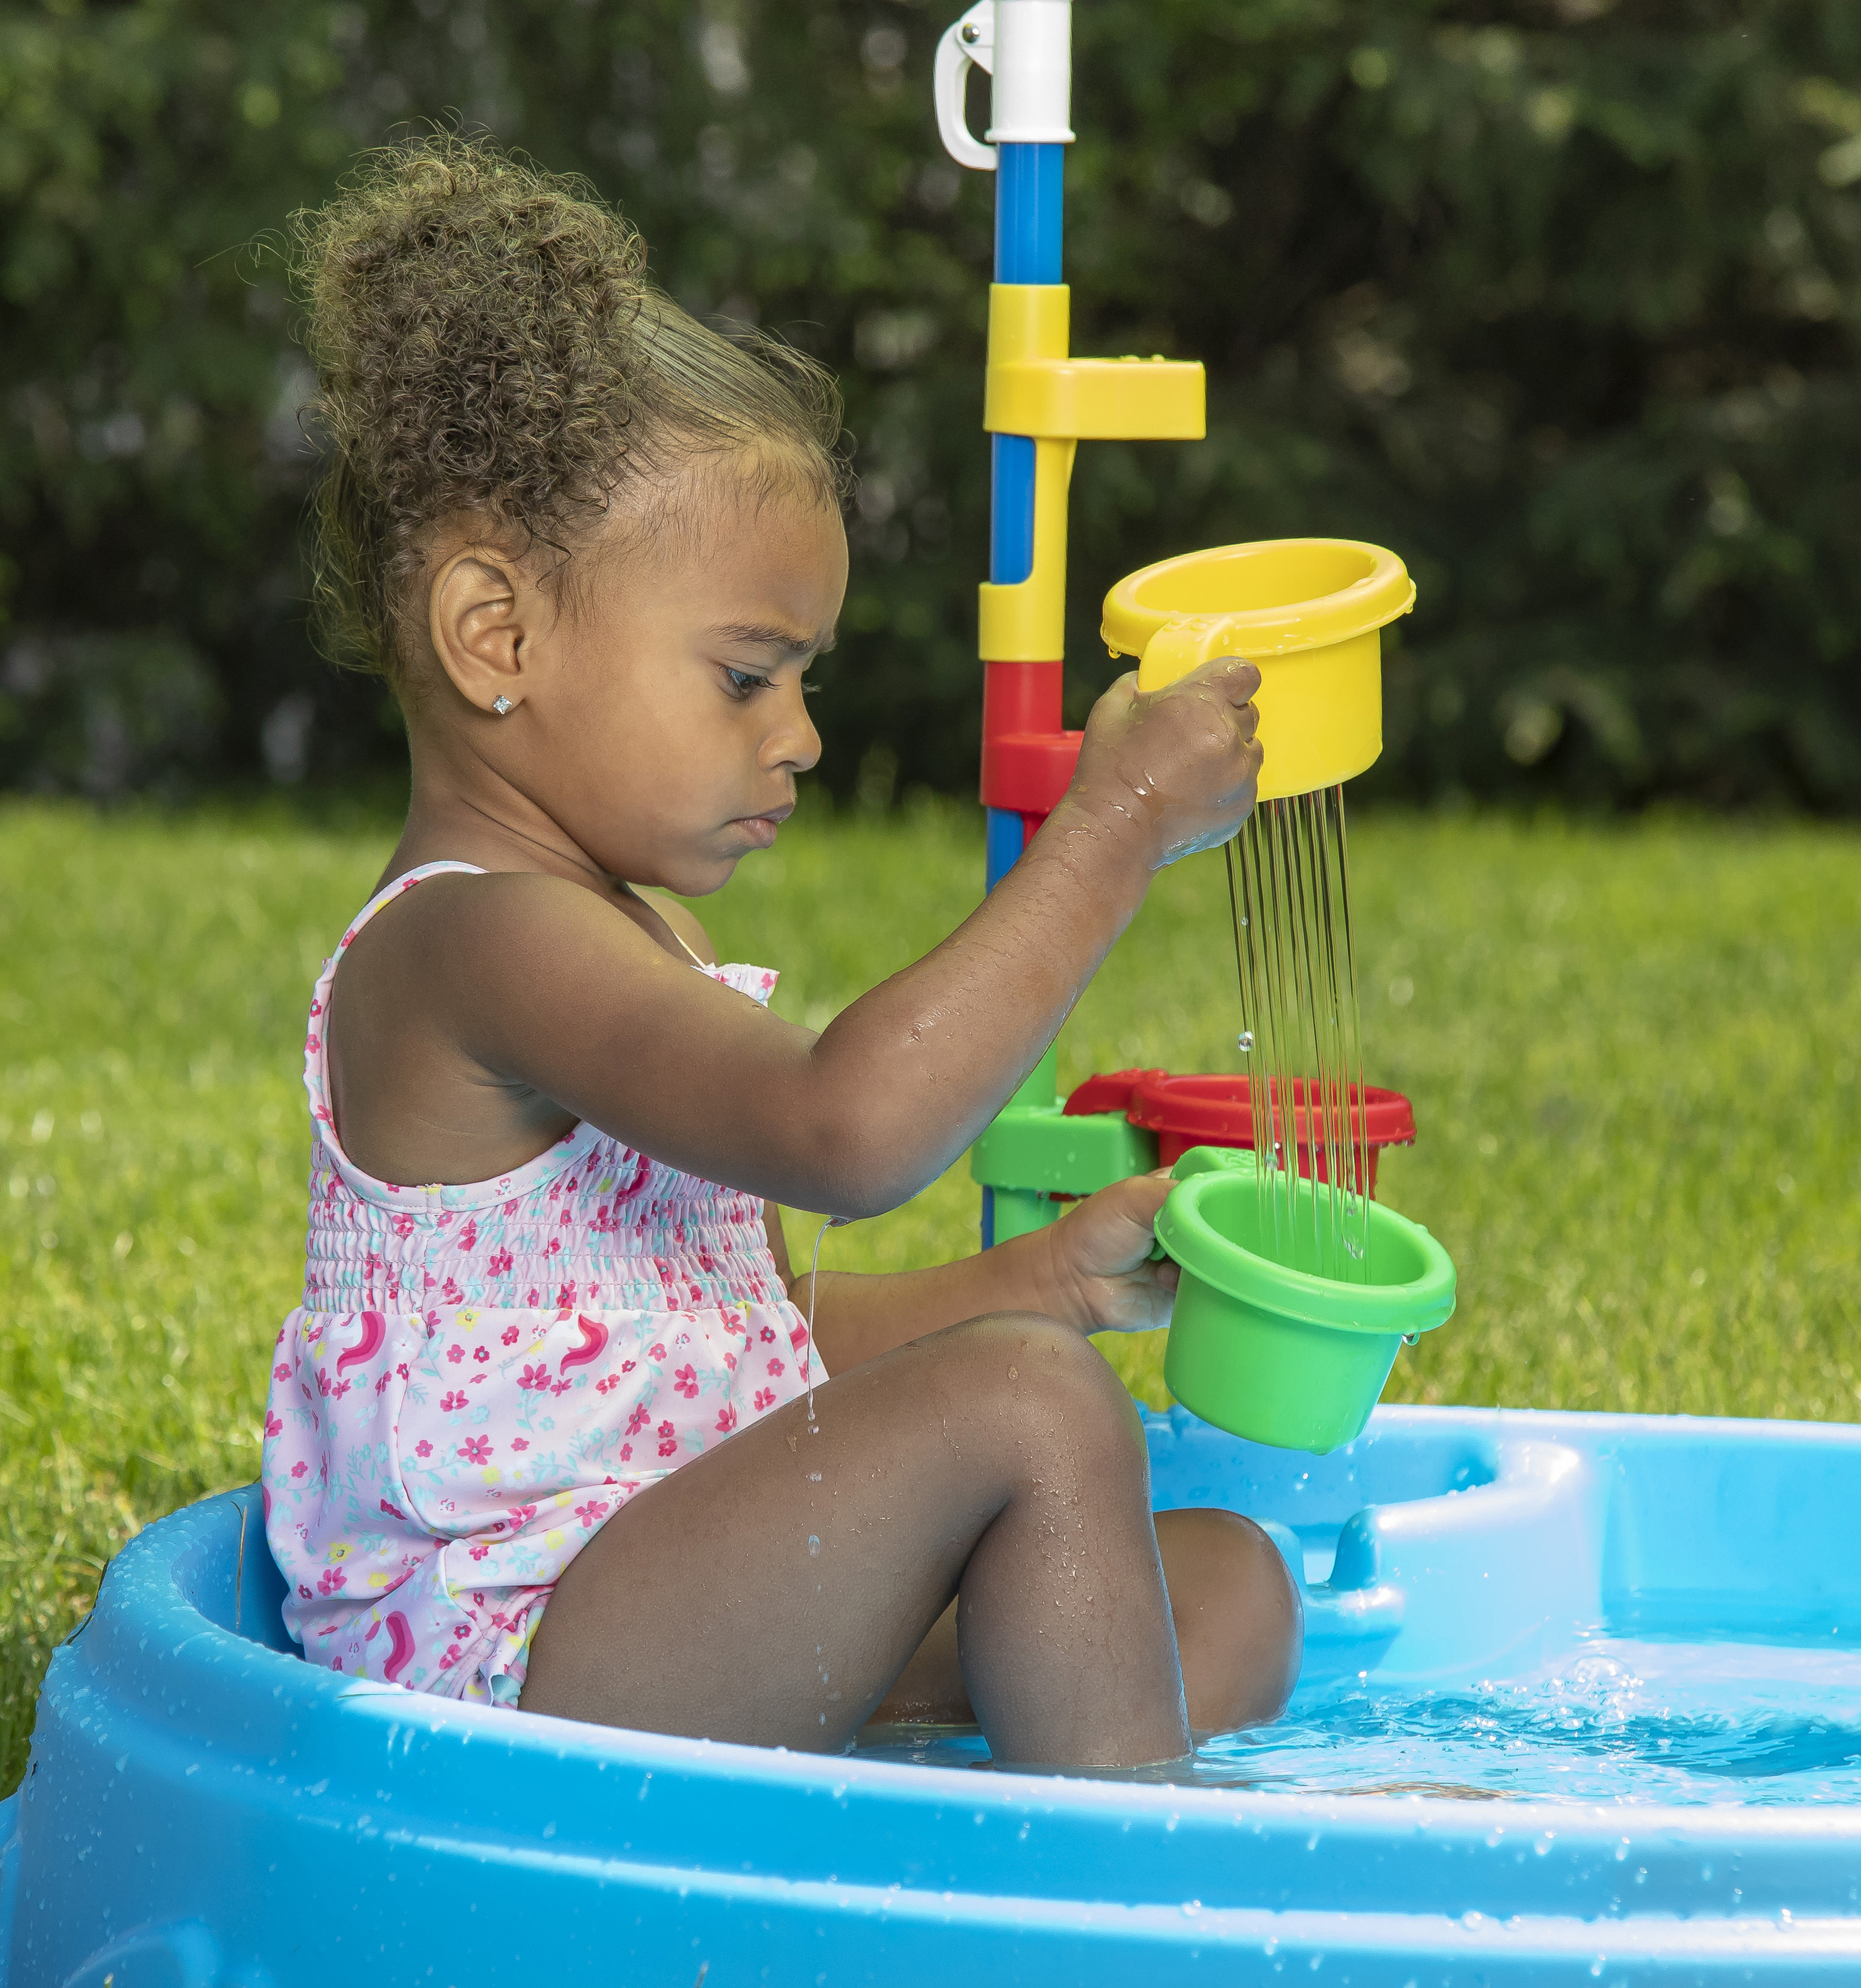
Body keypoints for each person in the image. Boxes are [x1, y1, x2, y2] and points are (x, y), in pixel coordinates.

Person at [262, 136, 1301, 1773]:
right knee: (1035, 1412)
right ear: (497, 636)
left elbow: (721, 1336)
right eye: (749, 677)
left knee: (1227, 1590)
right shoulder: (475, 939)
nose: (801, 735)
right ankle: (1131, 1914)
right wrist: (1111, 829)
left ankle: (912, 1822)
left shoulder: (621, 919)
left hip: (689, 1584)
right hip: (521, 1662)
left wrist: (1030, 1280)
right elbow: (849, 1129)